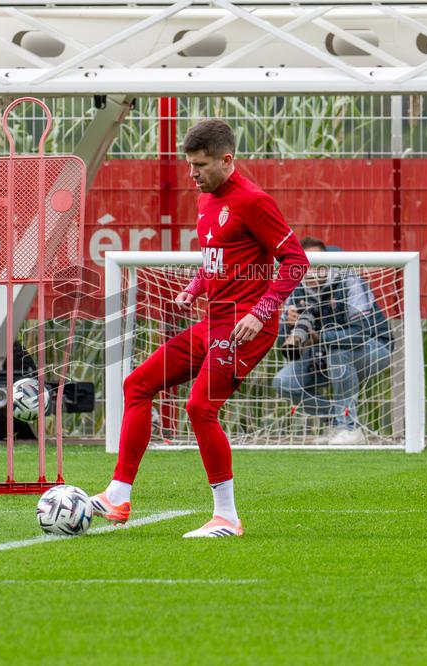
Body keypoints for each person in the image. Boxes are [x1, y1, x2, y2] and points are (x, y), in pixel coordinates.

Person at [89, 119, 309, 537]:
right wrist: (195, 286)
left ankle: (227, 517)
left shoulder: (254, 201)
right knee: (137, 384)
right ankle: (117, 497)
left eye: (201, 165)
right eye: (189, 165)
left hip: (246, 327)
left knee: (199, 408)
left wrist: (261, 312)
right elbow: (219, 260)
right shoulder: (207, 199)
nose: (192, 174)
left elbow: (296, 261)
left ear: (227, 160)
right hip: (214, 321)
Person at [273, 237, 393, 445]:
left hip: (374, 348)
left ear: (328, 264)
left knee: (338, 351)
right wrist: (289, 326)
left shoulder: (349, 281)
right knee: (284, 383)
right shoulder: (296, 288)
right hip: (321, 353)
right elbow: (286, 345)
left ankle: (348, 428)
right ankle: (336, 421)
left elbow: (361, 333)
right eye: (306, 267)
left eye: (317, 266)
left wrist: (319, 337)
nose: (311, 273)